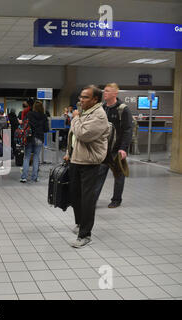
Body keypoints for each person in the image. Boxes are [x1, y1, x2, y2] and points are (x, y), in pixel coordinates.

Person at [63, 85, 110, 248]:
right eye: (80, 97)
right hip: (77, 159)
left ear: (95, 99)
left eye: (85, 97)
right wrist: (69, 151)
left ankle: (85, 235)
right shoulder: (85, 112)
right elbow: (73, 135)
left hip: (90, 162)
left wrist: (75, 118)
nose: (81, 100)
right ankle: (79, 224)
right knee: (75, 195)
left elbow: (82, 134)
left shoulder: (99, 115)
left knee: (87, 199)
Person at [94, 83, 133, 208]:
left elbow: (128, 130)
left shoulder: (122, 109)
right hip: (103, 149)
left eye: (107, 91)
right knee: (99, 174)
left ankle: (116, 200)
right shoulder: (102, 108)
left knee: (118, 175)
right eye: (104, 91)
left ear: (115, 93)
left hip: (117, 150)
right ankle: (93, 199)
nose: (104, 93)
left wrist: (123, 148)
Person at [20, 101, 49, 183]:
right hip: (39, 138)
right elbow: (46, 129)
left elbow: (24, 125)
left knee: (27, 157)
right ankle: (34, 177)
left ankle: (24, 177)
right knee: (36, 157)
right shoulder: (44, 116)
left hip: (29, 138)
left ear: (34, 107)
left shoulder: (29, 114)